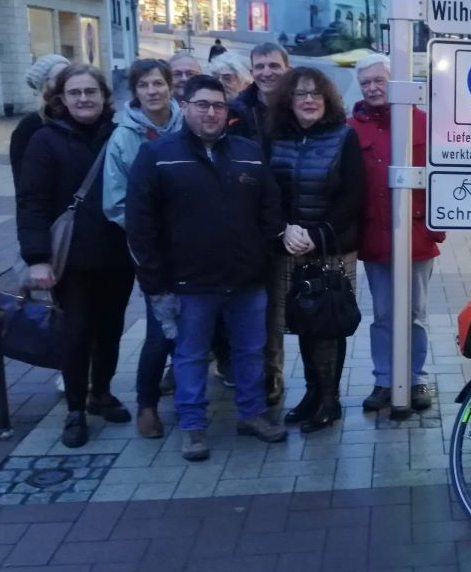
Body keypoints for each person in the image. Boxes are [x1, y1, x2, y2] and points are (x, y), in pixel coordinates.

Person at [126, 75, 288, 461]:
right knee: (190, 355)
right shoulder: (157, 155)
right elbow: (140, 224)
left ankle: (252, 415)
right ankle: (193, 427)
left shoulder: (248, 151)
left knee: (250, 351)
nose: (211, 112)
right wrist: (155, 282)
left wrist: (268, 258)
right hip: (188, 282)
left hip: (246, 278)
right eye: (202, 105)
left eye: (218, 105)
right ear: (184, 107)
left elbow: (270, 211)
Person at [17, 63, 134, 448]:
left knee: (111, 329)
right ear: (61, 100)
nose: (84, 99)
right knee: (77, 333)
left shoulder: (120, 135)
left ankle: (101, 392)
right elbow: (31, 203)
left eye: (91, 92)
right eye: (75, 93)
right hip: (72, 260)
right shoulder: (45, 140)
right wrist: (37, 258)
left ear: (104, 97)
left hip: (117, 254)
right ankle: (75, 410)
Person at [267, 68, 365, 433]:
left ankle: (329, 401)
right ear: (288, 102)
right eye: (300, 95)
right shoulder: (274, 138)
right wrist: (283, 231)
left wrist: (318, 234)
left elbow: (353, 195)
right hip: (288, 246)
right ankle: (311, 394)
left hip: (331, 248)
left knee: (327, 325)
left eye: (315, 95)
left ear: (327, 100)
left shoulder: (344, 137)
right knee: (302, 324)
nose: (308, 100)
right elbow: (267, 193)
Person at [351, 53, 443, 412]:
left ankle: (416, 379)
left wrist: (438, 227)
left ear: (395, 80)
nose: (372, 88)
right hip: (375, 238)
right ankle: (384, 380)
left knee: (416, 314)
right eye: (366, 83)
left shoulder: (425, 123)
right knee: (384, 316)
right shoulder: (352, 127)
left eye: (379, 80)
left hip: (417, 238)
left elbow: (444, 180)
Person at [103, 59, 184, 439]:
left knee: (196, 327)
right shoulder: (124, 137)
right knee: (160, 329)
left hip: (198, 244)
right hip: (153, 250)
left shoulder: (191, 123)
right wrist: (148, 233)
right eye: (144, 85)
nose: (152, 91)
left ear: (170, 86)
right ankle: (147, 404)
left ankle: (189, 398)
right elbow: (115, 202)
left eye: (158, 83)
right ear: (135, 92)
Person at [227, 42, 291, 403]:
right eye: (259, 66)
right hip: (248, 223)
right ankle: (265, 376)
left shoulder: (302, 102)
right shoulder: (238, 110)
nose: (266, 72)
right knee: (258, 307)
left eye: (273, 66)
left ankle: (275, 373)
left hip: (293, 221)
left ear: (287, 66)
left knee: (283, 306)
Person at [10, 54, 69, 190]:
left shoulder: (81, 116)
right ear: (45, 85)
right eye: (60, 77)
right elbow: (23, 182)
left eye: (70, 73)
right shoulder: (29, 126)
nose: (68, 80)